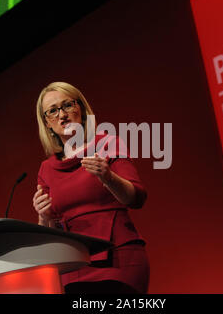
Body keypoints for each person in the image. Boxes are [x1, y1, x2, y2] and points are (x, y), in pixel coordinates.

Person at [33, 82, 149, 294]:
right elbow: (48, 234)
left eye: (67, 105)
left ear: (81, 109)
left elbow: (137, 198)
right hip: (74, 265)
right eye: (52, 111)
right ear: (47, 123)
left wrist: (108, 176)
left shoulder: (108, 144)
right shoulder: (46, 169)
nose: (62, 115)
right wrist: (43, 216)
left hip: (119, 256)